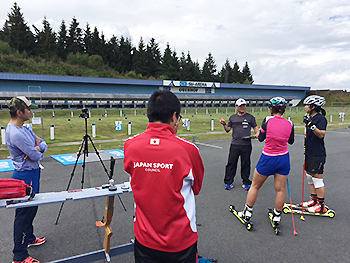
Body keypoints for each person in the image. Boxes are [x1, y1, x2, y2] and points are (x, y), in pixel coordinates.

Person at [124, 90, 204, 263]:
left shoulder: (130, 145)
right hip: (180, 241)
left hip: (144, 238)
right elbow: (196, 188)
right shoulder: (188, 150)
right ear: (174, 117)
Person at [238, 97, 294, 228]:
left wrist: (261, 135)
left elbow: (261, 138)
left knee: (255, 186)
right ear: (284, 109)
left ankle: (247, 212)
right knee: (280, 190)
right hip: (283, 158)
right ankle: (277, 216)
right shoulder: (290, 123)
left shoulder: (267, 120)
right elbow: (290, 141)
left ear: (271, 109)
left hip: (268, 157)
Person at [6, 96, 48, 263]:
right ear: (19, 112)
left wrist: (38, 147)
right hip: (25, 175)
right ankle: (20, 255)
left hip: (31, 173)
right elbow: (36, 155)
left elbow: (41, 145)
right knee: (24, 214)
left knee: (31, 210)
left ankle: (29, 238)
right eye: (28, 109)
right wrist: (38, 149)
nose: (31, 112)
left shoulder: (24, 128)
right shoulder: (16, 133)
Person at [219, 98, 259, 191]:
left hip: (246, 145)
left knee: (246, 164)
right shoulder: (233, 117)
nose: (243, 107)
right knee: (231, 163)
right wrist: (224, 124)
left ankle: (246, 182)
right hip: (235, 144)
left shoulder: (250, 117)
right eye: (240, 106)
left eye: (244, 105)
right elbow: (228, 130)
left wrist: (257, 133)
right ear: (236, 107)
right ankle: (229, 182)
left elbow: (256, 128)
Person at [300, 95, 328, 213]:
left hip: (318, 153)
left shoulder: (320, 119)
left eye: (307, 105)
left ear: (313, 107)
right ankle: (314, 199)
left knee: (317, 177)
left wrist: (311, 125)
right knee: (309, 175)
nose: (305, 107)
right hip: (310, 152)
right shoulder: (310, 117)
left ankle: (321, 205)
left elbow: (321, 134)